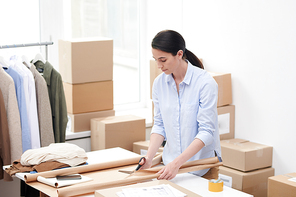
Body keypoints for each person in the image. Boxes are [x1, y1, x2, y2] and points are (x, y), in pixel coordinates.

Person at [139, 30, 222, 180]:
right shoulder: (159, 84)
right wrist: (149, 158)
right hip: (170, 167)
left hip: (200, 167)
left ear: (179, 54)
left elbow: (207, 132)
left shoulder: (205, 83)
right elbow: (159, 124)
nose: (158, 65)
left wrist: (177, 164)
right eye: (155, 59)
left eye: (163, 60)